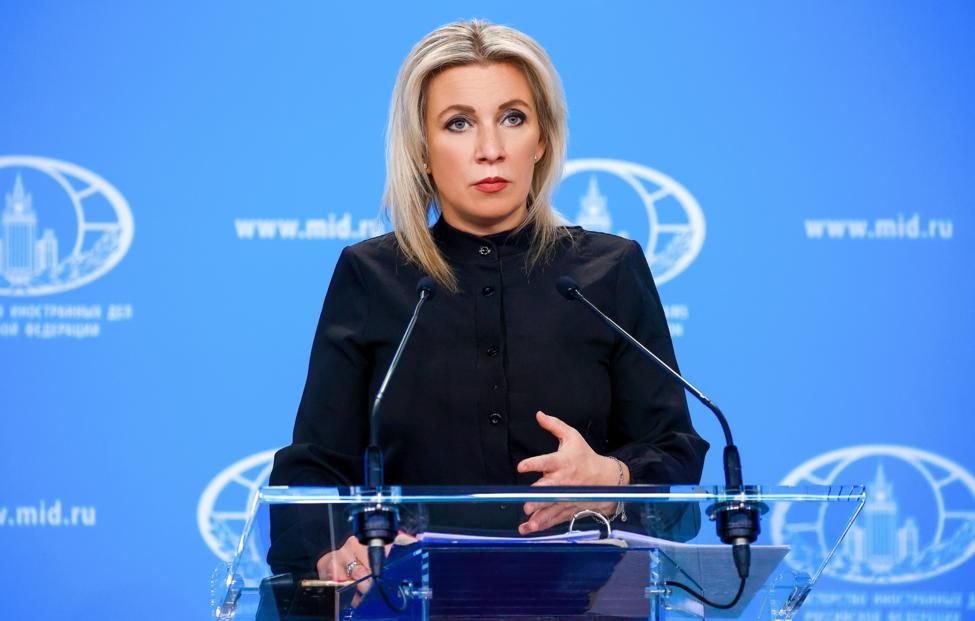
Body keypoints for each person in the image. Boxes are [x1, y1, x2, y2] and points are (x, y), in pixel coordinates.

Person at [267, 19, 709, 585]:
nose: (491, 150)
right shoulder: (372, 276)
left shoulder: (609, 271)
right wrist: (333, 550)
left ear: (542, 138)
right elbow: (313, 468)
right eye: (459, 123)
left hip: (588, 597)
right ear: (422, 150)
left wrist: (613, 479)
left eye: (513, 118)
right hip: (414, 598)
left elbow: (673, 456)